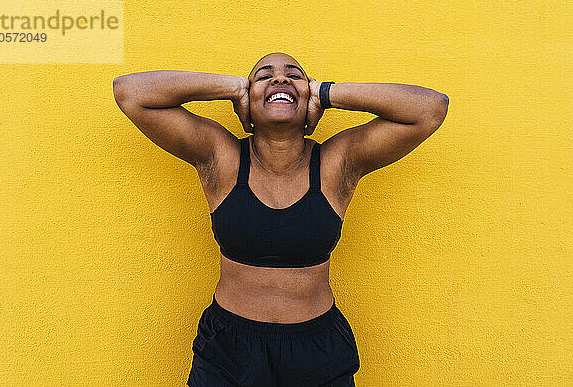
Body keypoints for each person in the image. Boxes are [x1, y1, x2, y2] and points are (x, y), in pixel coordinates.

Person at [112, 52, 449, 386]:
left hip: (316, 353)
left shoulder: (337, 162)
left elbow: (430, 109)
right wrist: (234, 87)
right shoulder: (221, 156)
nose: (280, 78)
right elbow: (130, 92)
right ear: (248, 104)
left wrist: (326, 93)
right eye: (264, 75)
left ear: (308, 100)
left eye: (294, 75)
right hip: (229, 352)